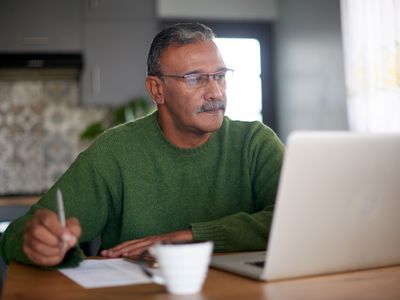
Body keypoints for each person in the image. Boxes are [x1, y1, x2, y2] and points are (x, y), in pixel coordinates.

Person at [0, 23, 284, 267]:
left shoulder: (255, 143)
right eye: (195, 78)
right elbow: (13, 238)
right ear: (156, 90)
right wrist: (39, 242)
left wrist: (189, 235)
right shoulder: (115, 152)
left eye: (220, 76)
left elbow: (297, 222)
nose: (215, 92)